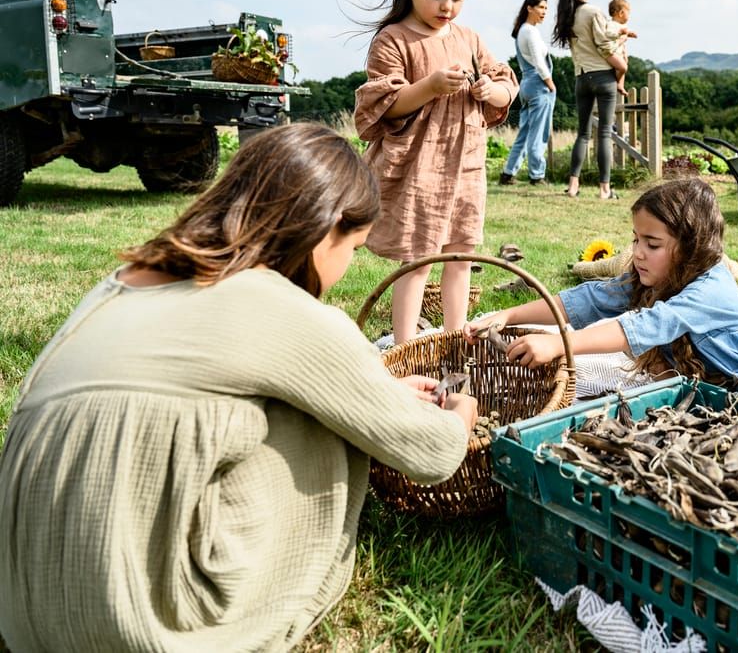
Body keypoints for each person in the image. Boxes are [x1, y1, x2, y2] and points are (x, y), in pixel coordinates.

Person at [0, 123, 477, 651]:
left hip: (23, 609)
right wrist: (458, 415)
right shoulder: (279, 307)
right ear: (327, 230)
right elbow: (431, 453)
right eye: (355, 247)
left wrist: (379, 388)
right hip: (146, 625)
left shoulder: (123, 284)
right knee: (319, 423)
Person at [464, 178, 738, 405]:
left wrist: (558, 344)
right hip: (717, 375)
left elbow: (642, 328)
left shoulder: (711, 291)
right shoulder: (652, 276)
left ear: (689, 248)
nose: (638, 252)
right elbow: (588, 299)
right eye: (636, 240)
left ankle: (694, 388)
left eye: (652, 244)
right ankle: (687, 383)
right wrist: (508, 315)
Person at [354, 0, 518, 341]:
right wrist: (429, 86)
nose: (448, 6)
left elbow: (505, 89)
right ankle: (407, 347)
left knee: (460, 256)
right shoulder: (393, 40)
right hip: (420, 168)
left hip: (465, 167)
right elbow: (385, 102)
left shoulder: (469, 38)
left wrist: (490, 90)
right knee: (418, 259)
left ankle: (453, 337)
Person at [552, 0, 627, 200]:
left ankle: (573, 185)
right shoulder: (592, 12)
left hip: (581, 78)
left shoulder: (566, 16)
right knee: (604, 133)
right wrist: (621, 66)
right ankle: (604, 189)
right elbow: (604, 45)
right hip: (603, 77)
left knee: (582, 134)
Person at [500, 0, 557, 186]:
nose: (544, 12)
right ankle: (536, 175)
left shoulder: (523, 30)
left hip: (526, 84)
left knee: (525, 132)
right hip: (538, 84)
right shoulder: (530, 31)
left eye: (546, 9)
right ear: (529, 8)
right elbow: (539, 62)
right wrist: (550, 83)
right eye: (541, 7)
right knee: (538, 132)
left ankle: (508, 173)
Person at [605, 0, 638, 97]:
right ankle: (616, 83)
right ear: (621, 13)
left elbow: (624, 34)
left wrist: (629, 34)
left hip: (620, 52)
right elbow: (608, 34)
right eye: (628, 13)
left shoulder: (622, 26)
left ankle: (620, 84)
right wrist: (621, 33)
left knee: (625, 63)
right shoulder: (611, 24)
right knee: (623, 68)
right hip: (612, 52)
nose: (629, 16)